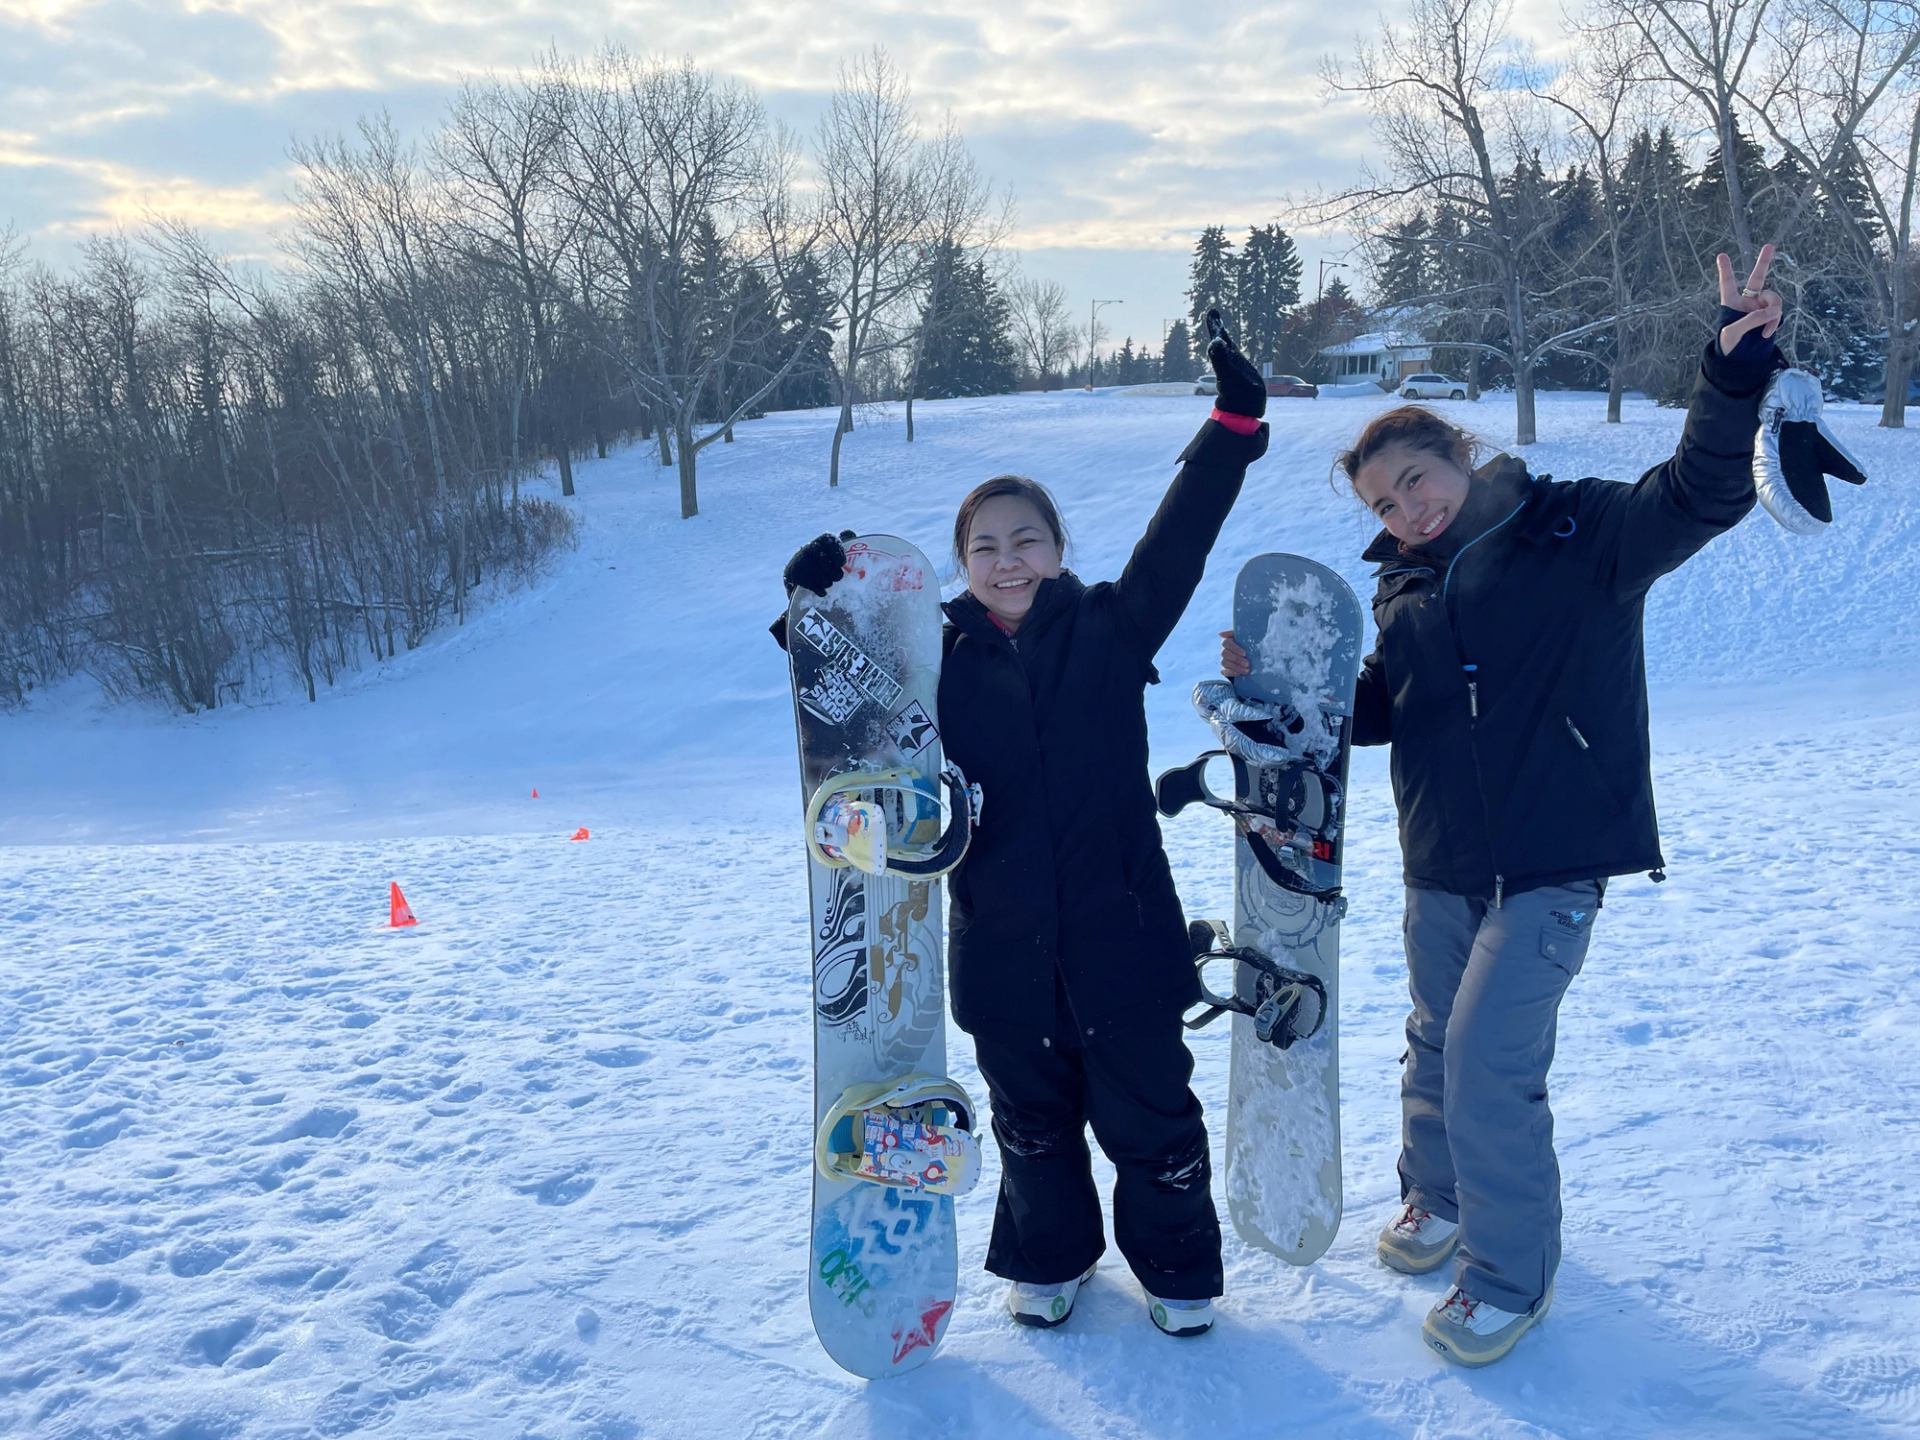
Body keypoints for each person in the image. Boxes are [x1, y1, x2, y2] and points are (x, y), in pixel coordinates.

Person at [1221, 246, 1788, 1366]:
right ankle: (1436, 1196)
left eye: (1416, 483)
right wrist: (1290, 693)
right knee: (1433, 1038)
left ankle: (1510, 1274)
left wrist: (1731, 379)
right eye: (1386, 503)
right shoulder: (1403, 584)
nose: (1408, 509)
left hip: (1554, 856)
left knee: (1486, 1061)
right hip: (1442, 852)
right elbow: (1392, 706)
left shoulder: (1575, 531)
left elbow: (1704, 495)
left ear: (1460, 454)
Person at [781, 316, 1271, 1337]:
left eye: (1026, 540)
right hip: (1001, 945)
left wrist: (1233, 425)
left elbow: (1180, 538)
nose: (1007, 560)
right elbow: (844, 690)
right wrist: (816, 599)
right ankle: (1049, 1261)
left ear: (1057, 549)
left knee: (1153, 1118)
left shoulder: (1110, 626)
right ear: (961, 561)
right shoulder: (935, 656)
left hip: (1123, 935)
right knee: (1034, 1126)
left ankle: (1179, 1275)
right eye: (985, 545)